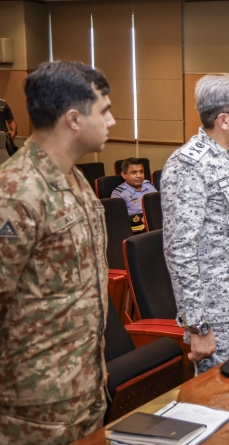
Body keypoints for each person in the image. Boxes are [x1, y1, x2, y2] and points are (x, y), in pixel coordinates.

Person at [0, 61, 115, 444]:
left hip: (85, 393)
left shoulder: (74, 178)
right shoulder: (16, 193)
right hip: (32, 412)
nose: (112, 121)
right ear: (74, 119)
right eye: (104, 111)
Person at [161, 74, 229, 375]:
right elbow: (180, 250)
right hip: (219, 316)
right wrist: (199, 325)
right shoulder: (190, 165)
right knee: (218, 395)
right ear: (223, 120)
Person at [111, 157, 157, 233]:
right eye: (134, 173)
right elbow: (120, 222)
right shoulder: (119, 194)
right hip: (137, 230)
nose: (139, 176)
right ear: (124, 175)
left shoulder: (149, 185)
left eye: (141, 172)